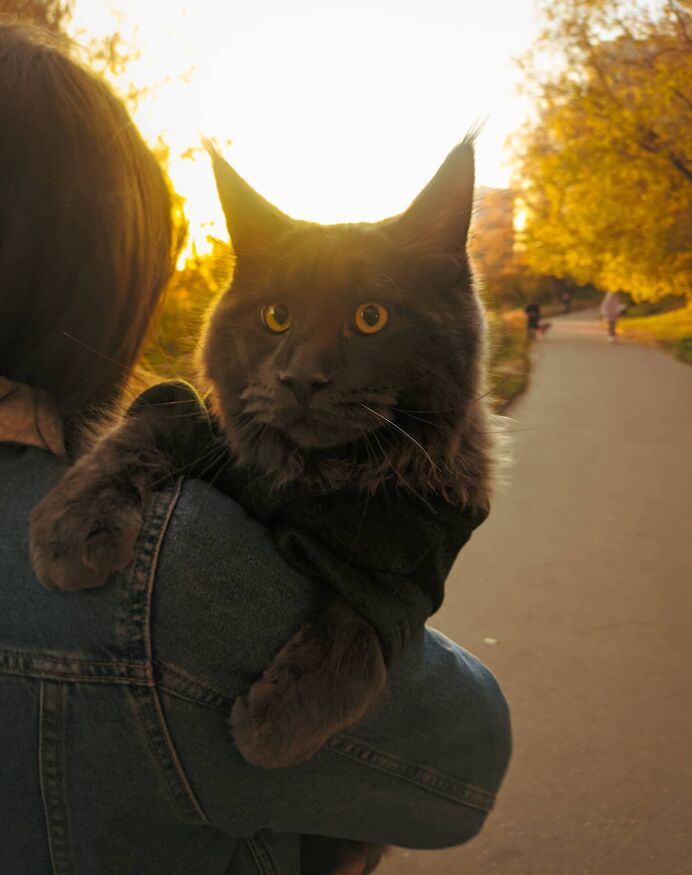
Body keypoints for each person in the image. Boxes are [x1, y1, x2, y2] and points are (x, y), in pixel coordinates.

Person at [0, 23, 511, 875]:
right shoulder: (173, 572)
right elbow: (467, 767)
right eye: (276, 316)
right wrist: (378, 616)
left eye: (369, 318)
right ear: (110, 270)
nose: (305, 370)